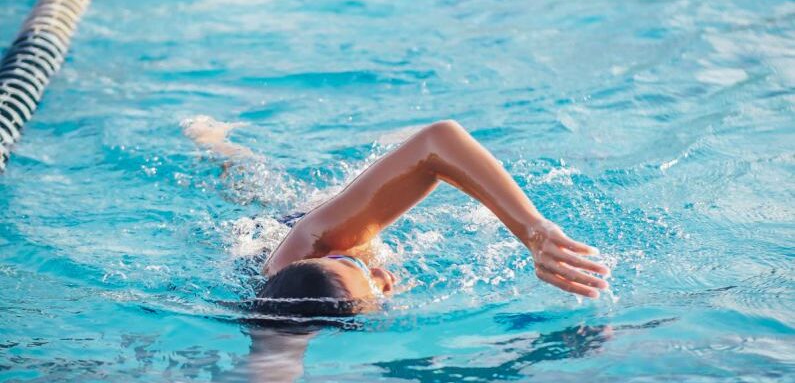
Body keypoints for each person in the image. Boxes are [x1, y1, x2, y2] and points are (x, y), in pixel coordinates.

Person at [184, 117, 610, 316]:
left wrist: (534, 230)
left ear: (321, 256)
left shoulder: (321, 236)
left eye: (356, 263)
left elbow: (439, 139)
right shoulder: (294, 304)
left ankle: (211, 139)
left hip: (290, 222)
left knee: (250, 184)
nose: (385, 277)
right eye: (376, 287)